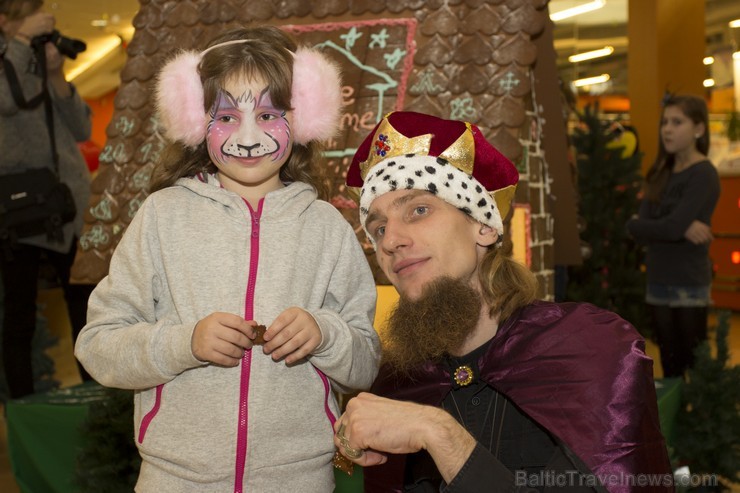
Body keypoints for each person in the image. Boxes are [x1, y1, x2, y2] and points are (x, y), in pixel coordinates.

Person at [74, 26, 381, 492]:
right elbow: (97, 345)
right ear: (197, 124)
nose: (249, 136)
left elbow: (365, 362)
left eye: (268, 114)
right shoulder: (162, 217)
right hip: (174, 479)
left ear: (300, 120)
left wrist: (325, 334)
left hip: (299, 479)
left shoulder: (327, 229)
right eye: (226, 117)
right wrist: (185, 343)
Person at [335, 111, 673, 492]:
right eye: (378, 228)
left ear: (483, 226)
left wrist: (438, 432)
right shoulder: (400, 385)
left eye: (418, 210)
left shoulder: (590, 352)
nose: (390, 240)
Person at [0, 0, 94, 398]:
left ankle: (99, 404)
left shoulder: (38, 61)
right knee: (18, 316)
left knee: (86, 310)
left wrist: (57, 75)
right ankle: (20, 409)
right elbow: (7, 100)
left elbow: (81, 127)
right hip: (19, 211)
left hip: (67, 205)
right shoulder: (12, 63)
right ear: (5, 22)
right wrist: (20, 43)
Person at [627, 94, 720, 379]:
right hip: (658, 282)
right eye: (665, 122)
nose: (667, 129)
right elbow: (637, 228)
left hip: (687, 285)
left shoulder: (703, 174)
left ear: (698, 129)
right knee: (668, 368)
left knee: (692, 370)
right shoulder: (660, 172)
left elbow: (663, 227)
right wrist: (672, 226)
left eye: (677, 122)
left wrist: (659, 225)